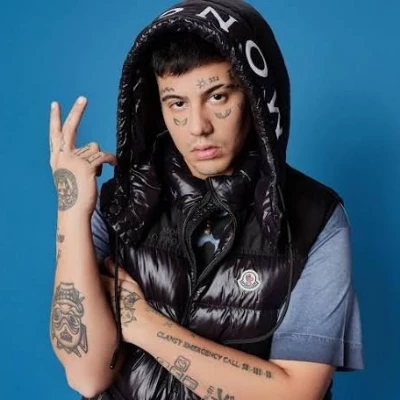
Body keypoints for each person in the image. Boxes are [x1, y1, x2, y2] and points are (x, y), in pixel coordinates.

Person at [48, 1, 363, 399]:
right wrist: (72, 210)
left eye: (217, 97)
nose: (198, 127)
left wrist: (144, 323)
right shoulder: (118, 203)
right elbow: (86, 376)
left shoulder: (316, 218)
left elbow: (297, 394)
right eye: (177, 103)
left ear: (255, 97)